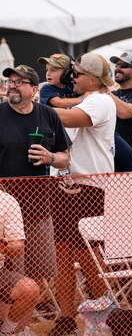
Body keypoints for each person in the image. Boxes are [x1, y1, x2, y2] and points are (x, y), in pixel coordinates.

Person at [50, 53, 116, 336]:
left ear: (91, 78)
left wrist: (32, 108)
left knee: (90, 257)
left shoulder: (100, 100)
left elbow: (72, 118)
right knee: (63, 256)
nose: (70, 78)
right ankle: (66, 319)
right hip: (66, 186)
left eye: (75, 73)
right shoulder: (88, 99)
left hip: (89, 188)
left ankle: (100, 318)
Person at [0, 65, 71, 329]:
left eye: (20, 82)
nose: (12, 85)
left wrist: (51, 158)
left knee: (40, 275)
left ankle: (19, 328)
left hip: (39, 209)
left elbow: (65, 156)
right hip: (5, 212)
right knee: (10, 279)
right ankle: (6, 327)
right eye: (10, 81)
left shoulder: (48, 115)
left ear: (33, 89)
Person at [0, 189, 41, 335]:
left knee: (29, 288)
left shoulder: (7, 201)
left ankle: (6, 332)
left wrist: (4, 247)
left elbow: (17, 248)